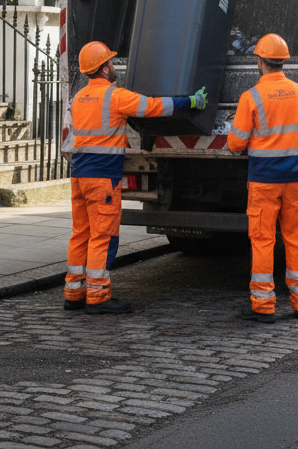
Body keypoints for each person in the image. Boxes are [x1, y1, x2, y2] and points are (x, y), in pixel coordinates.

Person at [63, 41, 206, 314]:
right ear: (104, 68)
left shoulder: (80, 97)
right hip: (103, 176)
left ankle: (74, 292)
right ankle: (98, 296)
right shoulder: (114, 97)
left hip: (79, 174)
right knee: (102, 236)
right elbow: (153, 106)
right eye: (110, 62)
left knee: (81, 233)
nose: (113, 66)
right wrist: (190, 101)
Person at [227, 33, 298, 324]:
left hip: (264, 180)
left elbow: (236, 143)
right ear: (283, 62)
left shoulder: (251, 97)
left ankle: (264, 306)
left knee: (263, 240)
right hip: (297, 179)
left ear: (260, 61)